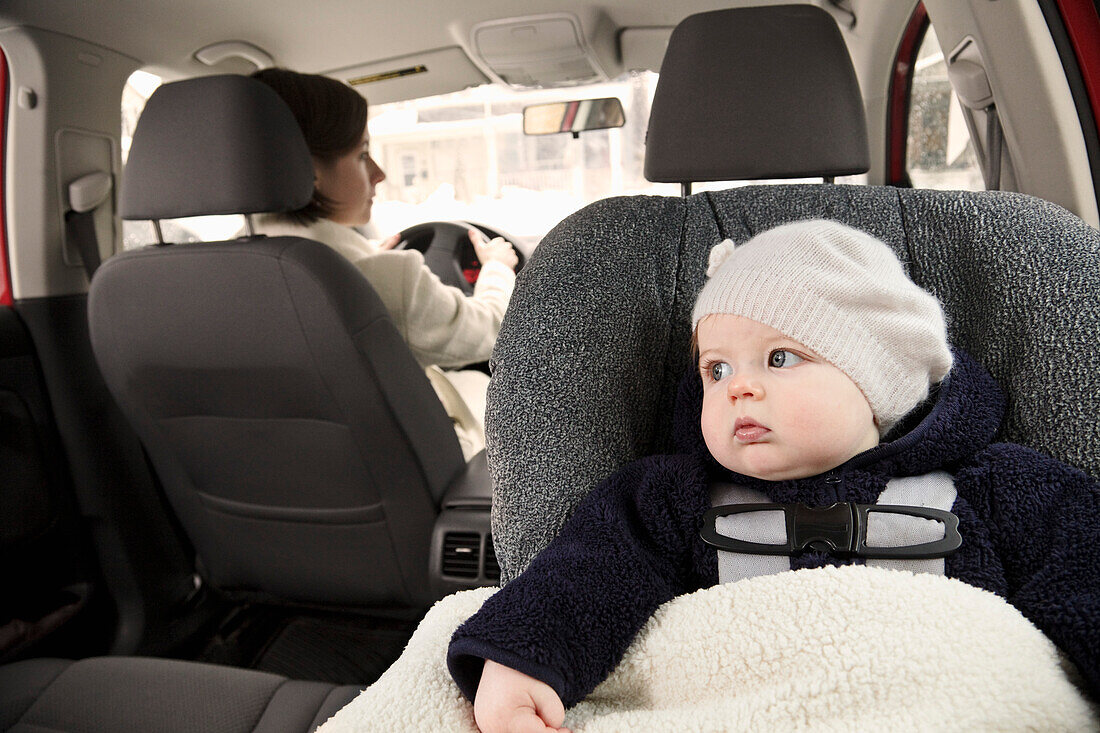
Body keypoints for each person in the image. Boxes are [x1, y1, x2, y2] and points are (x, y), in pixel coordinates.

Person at [446, 219, 1100, 732]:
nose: (739, 390)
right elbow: (584, 577)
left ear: (879, 378)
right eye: (717, 369)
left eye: (781, 358)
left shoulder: (997, 487)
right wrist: (521, 658)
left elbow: (1085, 577)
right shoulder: (673, 499)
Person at [250, 68, 519, 460]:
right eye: (362, 154)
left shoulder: (192, 283)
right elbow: (493, 330)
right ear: (308, 170)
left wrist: (369, 256)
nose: (380, 173)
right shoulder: (384, 280)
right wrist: (497, 268)